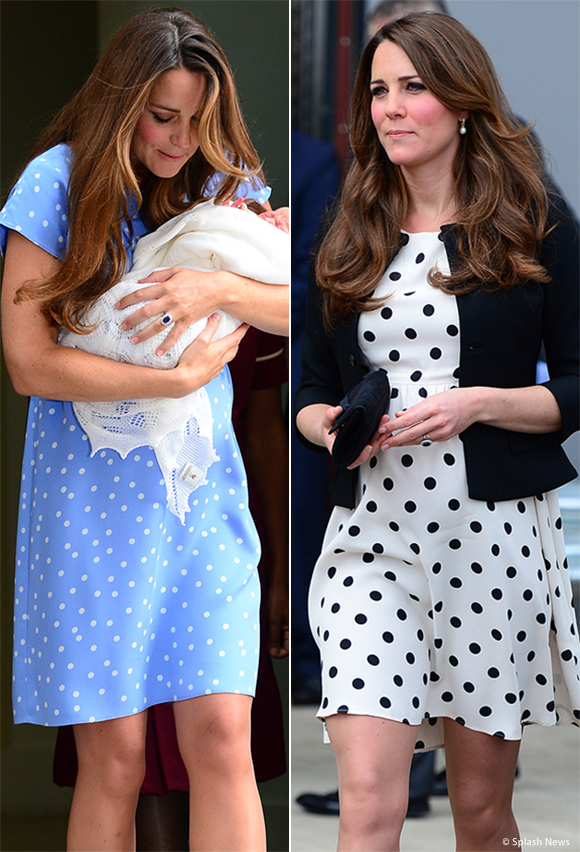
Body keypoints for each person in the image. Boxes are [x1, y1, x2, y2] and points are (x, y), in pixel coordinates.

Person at [0, 7, 288, 852]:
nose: (179, 138)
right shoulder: (55, 181)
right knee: (117, 758)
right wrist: (184, 376)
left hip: (199, 498)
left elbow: (306, 302)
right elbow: (28, 362)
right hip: (89, 505)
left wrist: (220, 292)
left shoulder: (225, 186)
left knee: (222, 740)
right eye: (163, 116)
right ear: (121, 101)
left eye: (197, 120)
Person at [295, 12, 580, 852]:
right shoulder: (349, 233)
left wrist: (477, 404)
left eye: (413, 87)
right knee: (369, 803)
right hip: (369, 544)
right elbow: (311, 392)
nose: (391, 107)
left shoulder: (535, 223)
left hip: (489, 544)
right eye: (379, 90)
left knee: (483, 820)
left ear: (461, 103)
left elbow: (575, 387)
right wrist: (336, 428)